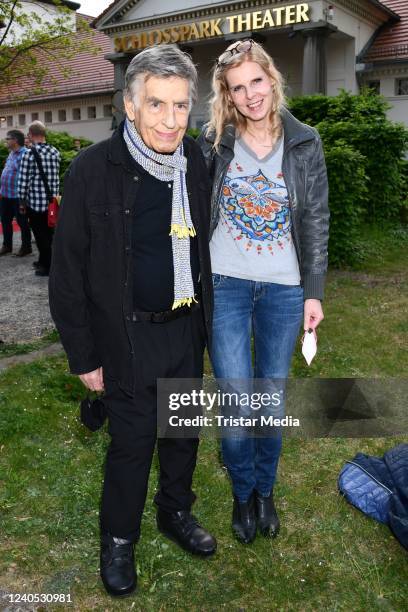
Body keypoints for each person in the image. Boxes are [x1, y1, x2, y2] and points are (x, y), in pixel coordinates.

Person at [49, 44, 216, 598]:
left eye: (180, 106)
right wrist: (84, 356)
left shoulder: (195, 161)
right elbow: (67, 273)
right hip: (124, 337)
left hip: (185, 330)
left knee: (182, 435)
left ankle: (175, 512)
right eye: (156, 105)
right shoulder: (93, 170)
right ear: (129, 105)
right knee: (132, 445)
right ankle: (118, 541)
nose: (170, 120)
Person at [198, 39, 329, 544]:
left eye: (256, 81)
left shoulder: (305, 141)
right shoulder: (215, 142)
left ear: (271, 79)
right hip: (227, 285)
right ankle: (242, 492)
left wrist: (313, 292)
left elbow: (316, 217)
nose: (250, 94)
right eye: (238, 88)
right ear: (228, 97)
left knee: (270, 402)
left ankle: (265, 491)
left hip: (284, 290)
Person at [18, 121, 60, 276]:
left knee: (40, 236)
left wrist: (21, 202)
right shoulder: (55, 151)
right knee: (49, 234)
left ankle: (48, 267)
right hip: (51, 202)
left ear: (30, 134)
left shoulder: (29, 153)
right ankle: (43, 261)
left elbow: (23, 181)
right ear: (44, 134)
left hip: (35, 203)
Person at [0, 129, 32, 256]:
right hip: (6, 194)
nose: (6, 141)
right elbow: (7, 171)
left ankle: (26, 247)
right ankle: (7, 246)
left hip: (18, 195)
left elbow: (26, 176)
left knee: (22, 222)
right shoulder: (11, 153)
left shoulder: (25, 154)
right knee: (5, 220)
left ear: (15, 140)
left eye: (8, 138)